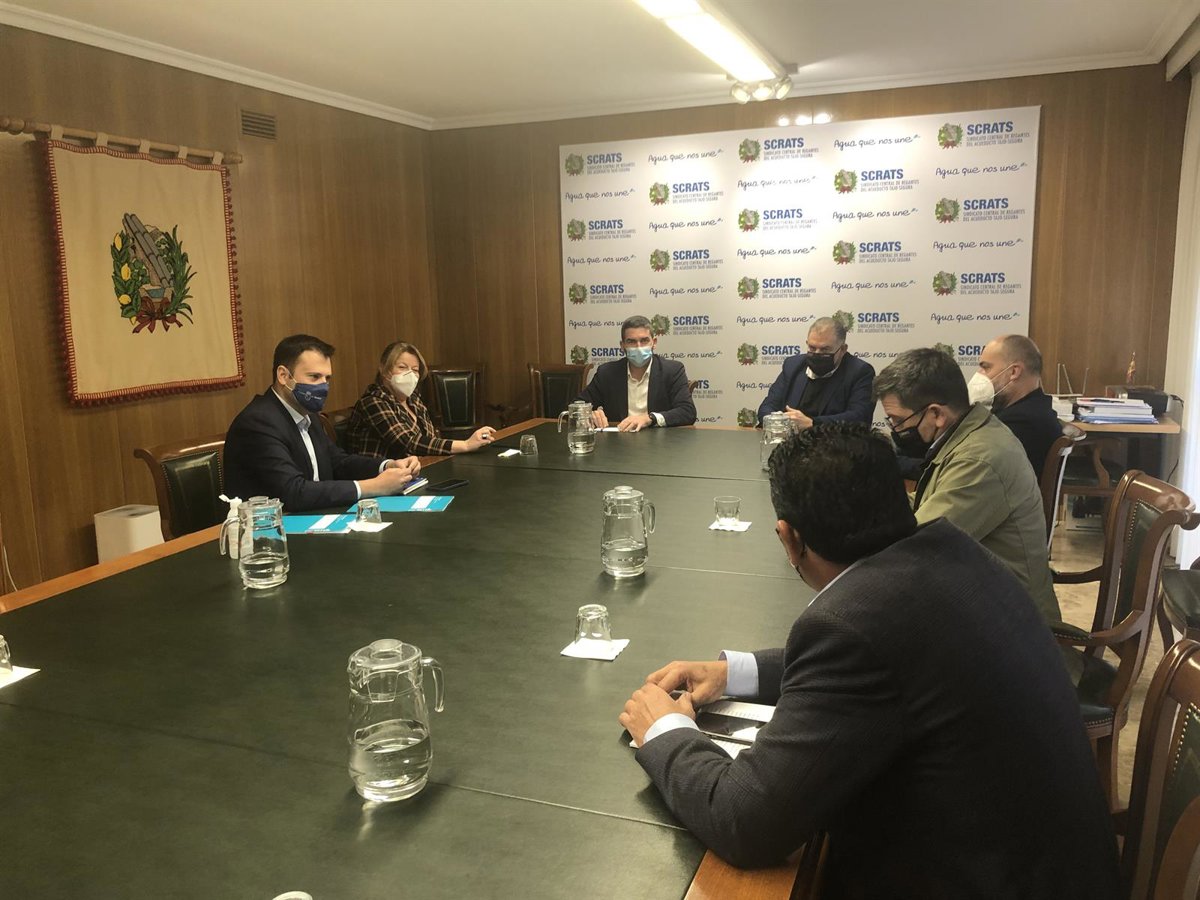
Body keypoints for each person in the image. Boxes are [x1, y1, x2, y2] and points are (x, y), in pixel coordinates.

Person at [619, 424, 1119, 896]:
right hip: (1057, 871)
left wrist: (666, 731)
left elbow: (745, 822)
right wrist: (735, 673)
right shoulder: (952, 549)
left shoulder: (854, 624)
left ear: (789, 538)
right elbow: (886, 665)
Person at [874, 347, 1060, 622]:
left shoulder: (979, 459)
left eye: (899, 421)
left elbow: (920, 546)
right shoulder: (969, 434)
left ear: (936, 414)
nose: (895, 430)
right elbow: (929, 503)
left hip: (1012, 623)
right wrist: (867, 506)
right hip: (983, 597)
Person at [224, 334, 421, 511]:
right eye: (314, 377)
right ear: (283, 376)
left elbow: (338, 462)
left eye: (327, 378)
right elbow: (293, 492)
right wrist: (373, 487)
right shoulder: (258, 422)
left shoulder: (308, 414)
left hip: (315, 516)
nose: (323, 386)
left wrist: (387, 466)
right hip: (269, 530)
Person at [344, 341, 495, 458]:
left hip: (418, 471)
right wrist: (465, 445)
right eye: (402, 367)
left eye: (415, 370)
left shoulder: (414, 400)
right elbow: (408, 442)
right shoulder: (373, 401)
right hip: (381, 479)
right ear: (384, 370)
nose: (410, 374)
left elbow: (430, 438)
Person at [576, 315, 696, 431]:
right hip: (618, 440)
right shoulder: (607, 373)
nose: (638, 347)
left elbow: (687, 412)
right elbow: (575, 407)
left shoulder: (672, 370)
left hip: (659, 441)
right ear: (622, 346)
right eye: (631, 342)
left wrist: (650, 418)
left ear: (654, 342)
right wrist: (588, 414)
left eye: (644, 340)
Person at [969, 334, 1063, 475]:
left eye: (986, 368)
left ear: (1013, 372)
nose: (979, 374)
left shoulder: (1021, 423)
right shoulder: (1037, 409)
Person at [756, 317, 874, 427]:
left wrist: (812, 423)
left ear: (843, 349)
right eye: (812, 348)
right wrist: (782, 423)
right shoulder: (793, 365)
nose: (817, 353)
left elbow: (860, 417)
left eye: (825, 349)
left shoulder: (860, 372)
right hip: (790, 437)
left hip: (833, 439)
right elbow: (767, 407)